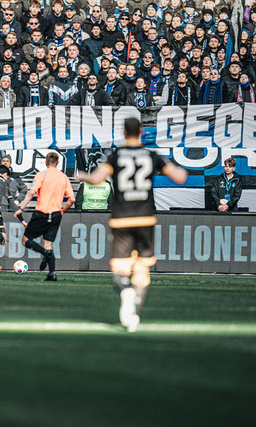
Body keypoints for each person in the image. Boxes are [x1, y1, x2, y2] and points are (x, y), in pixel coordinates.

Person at [76, 118, 187, 332]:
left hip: (121, 219)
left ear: (124, 133)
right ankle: (133, 313)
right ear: (142, 132)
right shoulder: (152, 155)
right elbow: (180, 177)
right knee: (142, 271)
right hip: (145, 218)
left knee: (120, 270)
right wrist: (172, 167)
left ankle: (126, 294)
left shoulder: (115, 155)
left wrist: (82, 176)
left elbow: (96, 179)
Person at [14, 152, 76, 282]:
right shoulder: (64, 177)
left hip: (42, 212)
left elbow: (32, 191)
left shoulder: (42, 174)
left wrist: (21, 208)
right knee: (48, 244)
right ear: (57, 163)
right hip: (56, 214)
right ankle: (52, 274)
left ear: (46, 162)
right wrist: (63, 210)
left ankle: (44, 253)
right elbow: (72, 199)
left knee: (26, 240)